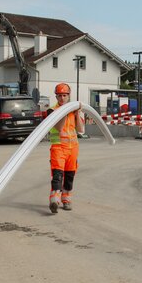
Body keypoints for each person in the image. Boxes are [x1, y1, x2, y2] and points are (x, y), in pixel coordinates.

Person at [47, 82, 85, 213]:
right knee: (57, 174)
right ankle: (54, 200)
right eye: (59, 96)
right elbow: (58, 128)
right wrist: (64, 112)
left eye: (65, 95)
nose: (62, 98)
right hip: (58, 147)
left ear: (69, 96)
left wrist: (76, 114)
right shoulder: (52, 110)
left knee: (70, 175)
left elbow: (81, 130)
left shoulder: (74, 110)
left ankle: (66, 199)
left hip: (73, 147)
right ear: (56, 97)